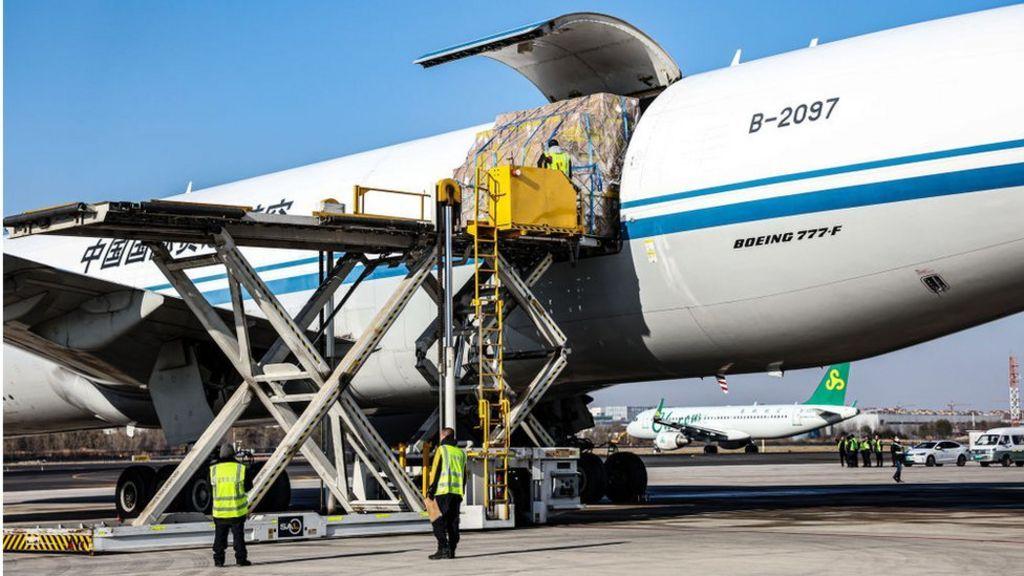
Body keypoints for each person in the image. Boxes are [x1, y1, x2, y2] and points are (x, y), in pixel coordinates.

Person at [427, 427, 467, 560]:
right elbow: (464, 475)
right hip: (457, 492)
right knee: (453, 522)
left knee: (437, 520)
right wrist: (462, 492)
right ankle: (452, 550)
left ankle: (443, 548)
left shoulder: (442, 450)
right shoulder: (461, 453)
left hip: (442, 491)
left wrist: (431, 490)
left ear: (443, 435)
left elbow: (437, 470)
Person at [210, 444, 251, 567]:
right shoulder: (240, 468)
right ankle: (240, 560)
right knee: (238, 538)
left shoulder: (213, 469)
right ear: (233, 454)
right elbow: (248, 487)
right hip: (236, 511)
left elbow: (208, 488)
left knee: (219, 537)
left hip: (220, 512)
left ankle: (218, 560)